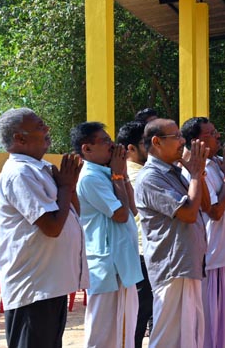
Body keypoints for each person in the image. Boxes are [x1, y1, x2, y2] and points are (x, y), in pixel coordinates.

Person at [0, 108, 88, 348]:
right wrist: (65, 187)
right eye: (39, 126)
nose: (47, 130)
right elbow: (52, 227)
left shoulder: (41, 168)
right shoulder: (20, 173)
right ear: (20, 139)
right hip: (34, 286)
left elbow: (73, 214)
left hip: (50, 284)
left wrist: (69, 186)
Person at [134, 118, 209, 348]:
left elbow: (204, 204)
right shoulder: (151, 177)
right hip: (173, 266)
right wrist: (195, 175)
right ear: (156, 142)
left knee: (189, 334)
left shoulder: (173, 171)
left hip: (187, 263)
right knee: (169, 337)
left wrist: (197, 172)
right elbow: (188, 214)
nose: (182, 141)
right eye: (175, 137)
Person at [73, 122, 142, 348]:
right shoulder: (91, 178)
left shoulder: (108, 173)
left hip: (120, 261)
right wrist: (118, 177)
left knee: (124, 326)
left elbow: (133, 208)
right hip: (107, 263)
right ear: (87, 149)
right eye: (104, 141)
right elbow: (121, 214)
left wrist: (120, 175)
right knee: (104, 330)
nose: (112, 145)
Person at [181, 118, 225, 348]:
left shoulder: (219, 162)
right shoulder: (194, 170)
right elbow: (215, 212)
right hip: (211, 252)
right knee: (209, 316)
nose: (218, 136)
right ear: (196, 141)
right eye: (211, 133)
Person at [116, 120, 153, 348]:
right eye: (144, 143)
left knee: (144, 311)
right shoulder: (137, 174)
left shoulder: (143, 172)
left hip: (145, 250)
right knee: (140, 313)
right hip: (140, 250)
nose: (150, 147)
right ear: (130, 148)